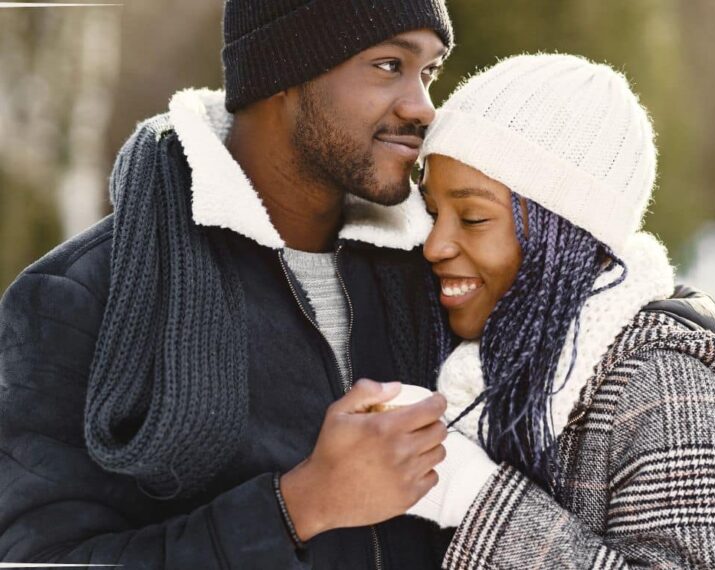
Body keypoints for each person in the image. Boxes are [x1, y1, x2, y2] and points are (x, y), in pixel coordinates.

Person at [0, 1, 456, 568]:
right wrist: (296, 508)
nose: (423, 107)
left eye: (429, 71)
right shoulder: (78, 297)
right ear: (282, 73)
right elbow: (38, 558)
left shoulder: (440, 276)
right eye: (389, 65)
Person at [404, 54, 715, 568]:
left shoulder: (662, 389)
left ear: (567, 236)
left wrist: (474, 495)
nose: (435, 245)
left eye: (474, 217)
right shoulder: (472, 366)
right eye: (434, 212)